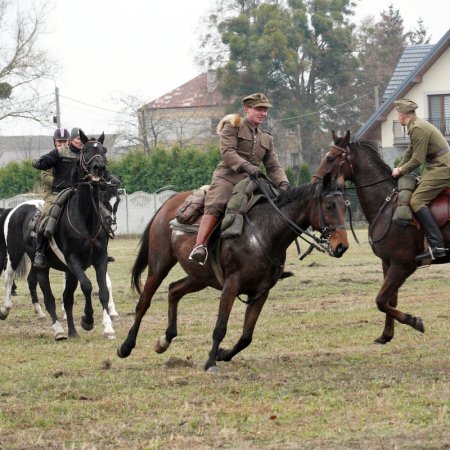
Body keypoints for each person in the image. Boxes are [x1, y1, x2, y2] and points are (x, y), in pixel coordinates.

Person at [189, 92, 290, 265]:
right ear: (247, 109)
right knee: (217, 203)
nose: (263, 113)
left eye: (265, 110)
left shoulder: (266, 137)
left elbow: (273, 165)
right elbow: (227, 152)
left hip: (253, 182)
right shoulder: (233, 126)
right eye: (259, 109)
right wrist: (247, 167)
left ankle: (270, 261)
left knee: (274, 207)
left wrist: (283, 183)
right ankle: (200, 247)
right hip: (228, 177)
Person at [32, 127, 119, 268]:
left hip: (80, 192)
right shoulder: (59, 153)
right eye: (77, 139)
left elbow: (103, 170)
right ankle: (40, 252)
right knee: (46, 216)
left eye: (80, 139)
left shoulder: (88, 153)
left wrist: (111, 178)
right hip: (57, 192)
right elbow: (45, 168)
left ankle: (102, 252)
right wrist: (39, 164)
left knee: (104, 215)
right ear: (72, 140)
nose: (79, 141)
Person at [392, 98, 450, 261]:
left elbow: (417, 159)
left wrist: (401, 169)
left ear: (403, 115)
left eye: (397, 114)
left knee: (416, 201)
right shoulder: (415, 126)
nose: (397, 118)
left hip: (442, 168)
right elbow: (410, 152)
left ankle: (437, 246)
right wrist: (396, 169)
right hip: (436, 166)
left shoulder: (418, 128)